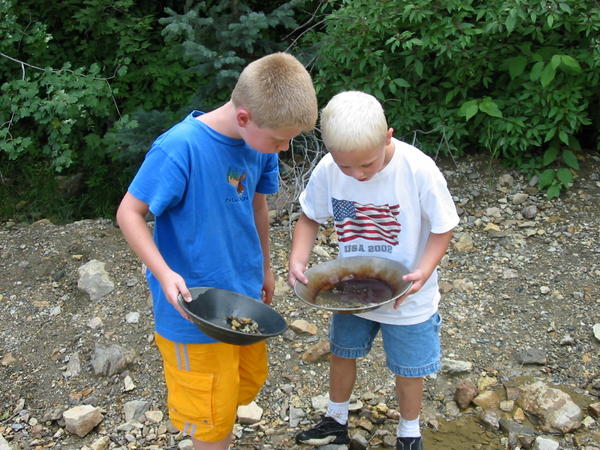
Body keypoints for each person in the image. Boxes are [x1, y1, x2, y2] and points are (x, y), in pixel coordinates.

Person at [116, 52, 317, 450]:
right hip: (192, 310)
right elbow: (129, 213)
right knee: (209, 418)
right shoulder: (179, 148)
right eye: (279, 140)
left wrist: (266, 267)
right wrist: (163, 273)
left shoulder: (259, 145)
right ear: (244, 118)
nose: (283, 148)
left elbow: (258, 205)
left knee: (242, 387)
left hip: (243, 300)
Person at [288, 91, 459, 450]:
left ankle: (409, 431)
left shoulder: (418, 169)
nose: (357, 174)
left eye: (367, 164)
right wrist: (298, 260)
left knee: (408, 369)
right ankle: (335, 419)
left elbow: (444, 226)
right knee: (342, 351)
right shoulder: (329, 171)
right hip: (352, 289)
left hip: (408, 293)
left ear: (388, 137)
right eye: (346, 166)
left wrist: (425, 270)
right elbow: (309, 218)